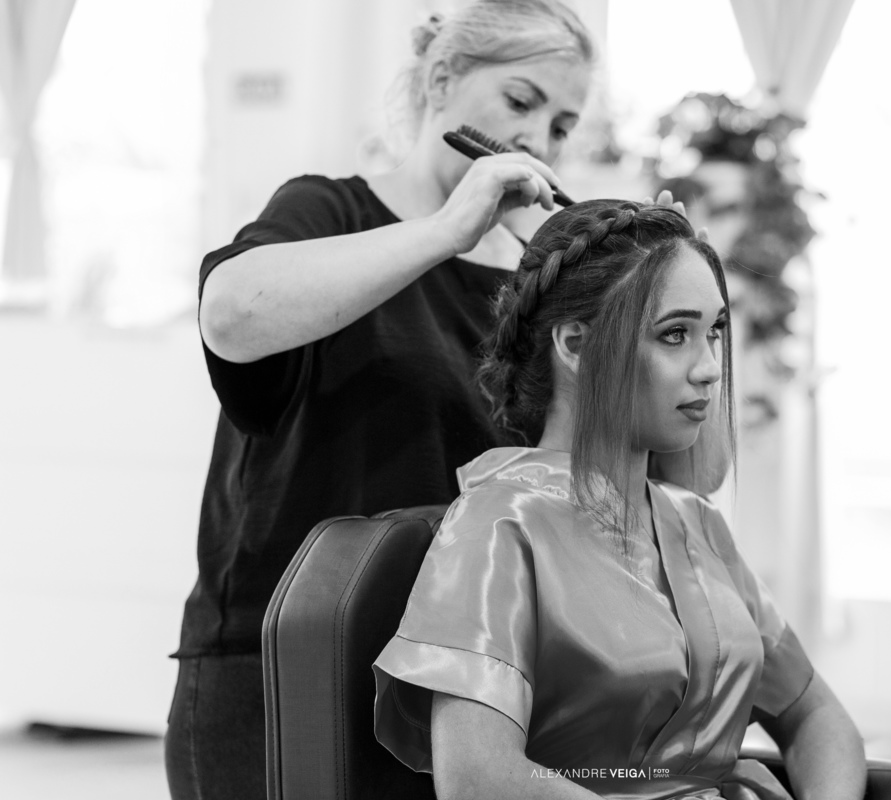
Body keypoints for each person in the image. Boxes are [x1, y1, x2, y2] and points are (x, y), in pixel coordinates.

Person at [165, 3, 597, 799]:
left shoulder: (531, 290)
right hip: (284, 674)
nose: (539, 138)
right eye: (521, 101)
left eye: (562, 126)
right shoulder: (328, 211)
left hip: (461, 691)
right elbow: (230, 314)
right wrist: (446, 230)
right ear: (442, 80)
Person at [372, 199, 867, 800]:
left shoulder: (697, 524)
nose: (711, 368)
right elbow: (478, 778)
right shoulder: (498, 526)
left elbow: (817, 715)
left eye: (714, 332)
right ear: (575, 345)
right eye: (675, 334)